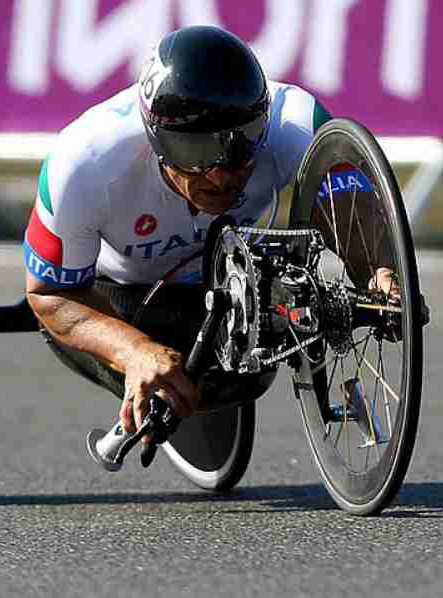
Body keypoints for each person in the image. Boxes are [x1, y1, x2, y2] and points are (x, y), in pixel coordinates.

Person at [23, 24, 339, 477]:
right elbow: (48, 296)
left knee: (244, 373)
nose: (222, 175)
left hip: (228, 283)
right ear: (157, 140)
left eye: (243, 141)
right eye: (197, 152)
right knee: (192, 379)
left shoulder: (294, 122)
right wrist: (133, 351)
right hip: (118, 296)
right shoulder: (84, 163)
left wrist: (379, 270)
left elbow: (358, 205)